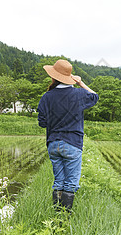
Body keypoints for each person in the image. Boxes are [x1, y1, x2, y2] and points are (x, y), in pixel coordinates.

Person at [37, 59, 99, 212]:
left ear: (54, 77)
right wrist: (80, 83)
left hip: (53, 143)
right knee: (70, 183)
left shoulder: (47, 97)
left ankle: (57, 215)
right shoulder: (78, 94)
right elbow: (94, 97)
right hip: (72, 143)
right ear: (68, 77)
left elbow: (42, 123)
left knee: (59, 180)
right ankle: (65, 218)